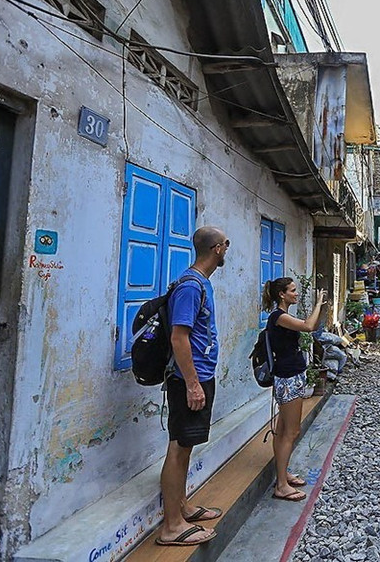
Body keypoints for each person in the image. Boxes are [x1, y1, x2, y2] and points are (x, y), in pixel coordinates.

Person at [156, 226, 229, 547]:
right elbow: (178, 337)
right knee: (179, 446)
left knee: (185, 444)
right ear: (216, 248)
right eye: (225, 244)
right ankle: (171, 526)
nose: (227, 249)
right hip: (189, 379)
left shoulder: (201, 284)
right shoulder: (190, 287)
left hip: (198, 376)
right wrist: (192, 384)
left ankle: (182, 506)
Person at [262, 277, 326, 502]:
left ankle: (283, 473)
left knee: (283, 431)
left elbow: (312, 327)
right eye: (292, 290)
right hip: (288, 377)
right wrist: (318, 302)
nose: (296, 294)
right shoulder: (279, 317)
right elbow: (308, 327)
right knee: (291, 431)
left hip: (291, 375)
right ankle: (281, 485)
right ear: (282, 294)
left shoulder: (284, 317)